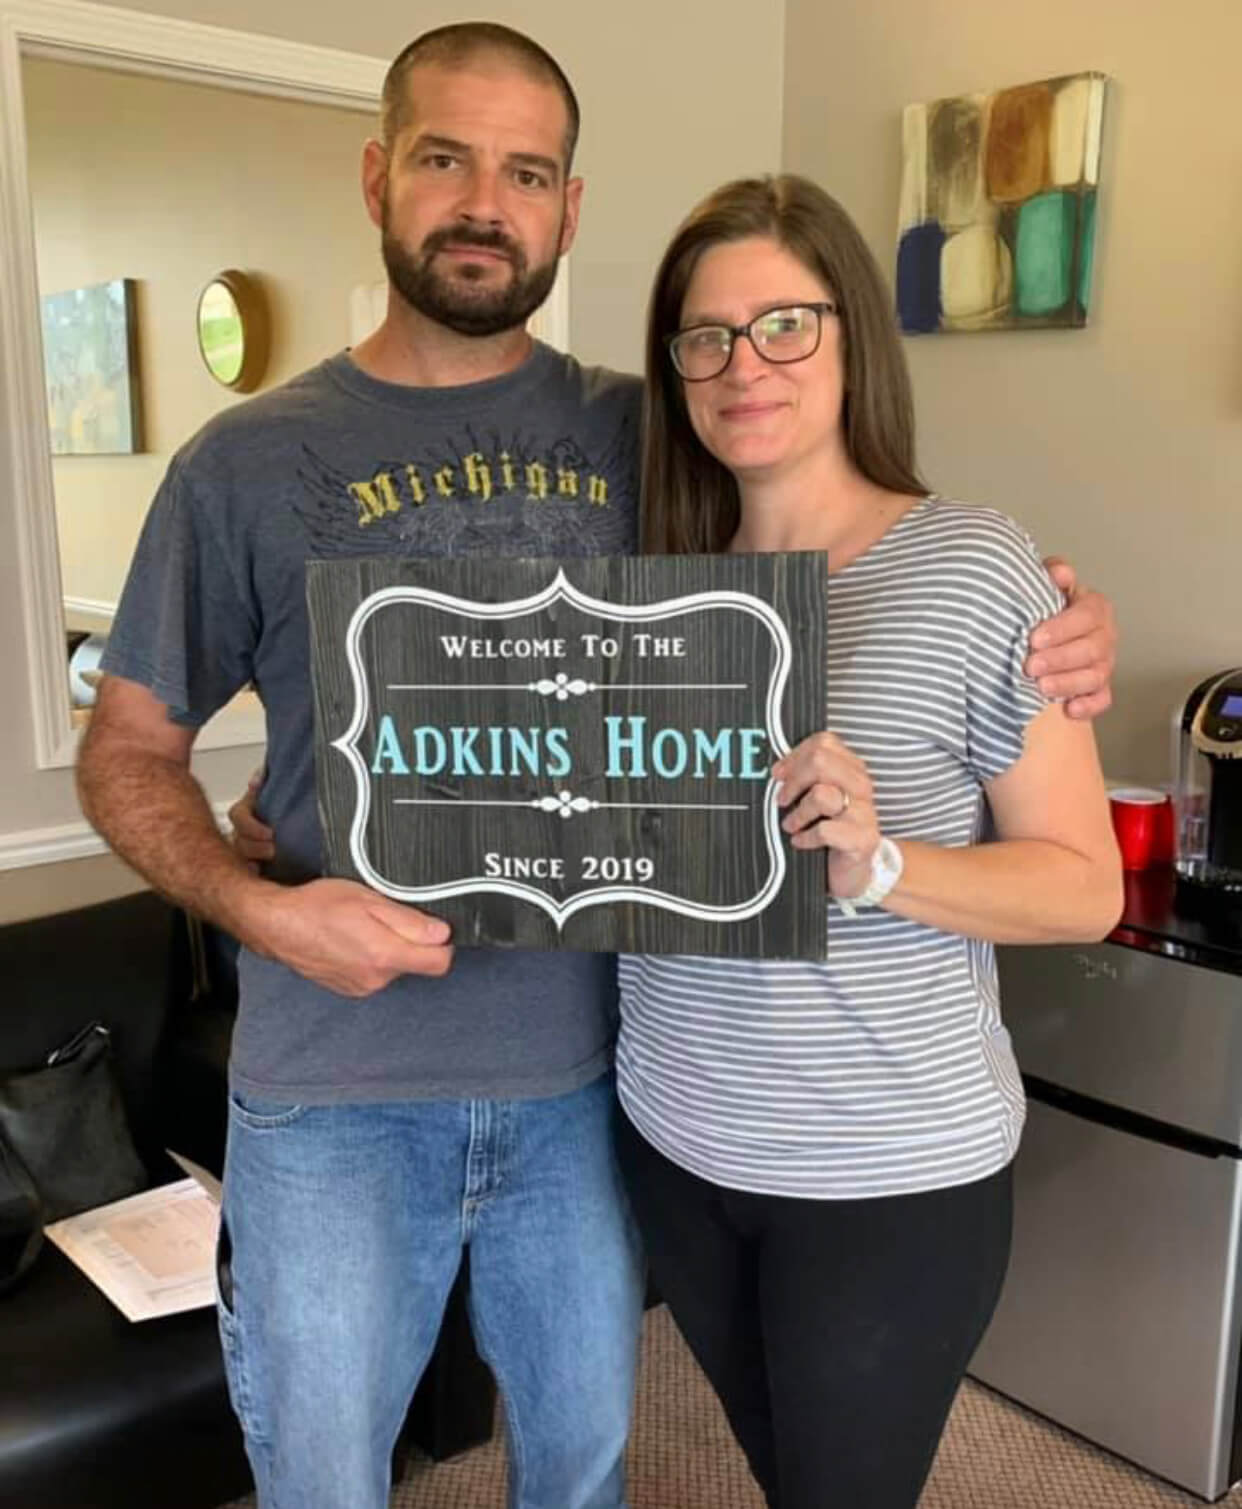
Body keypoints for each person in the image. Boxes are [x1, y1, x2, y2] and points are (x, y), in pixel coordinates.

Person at [79, 20, 1114, 1509]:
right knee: (321, 1480)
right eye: (445, 158)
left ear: (571, 207)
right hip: (336, 1091)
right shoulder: (241, 464)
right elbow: (125, 750)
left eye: (528, 170)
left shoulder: (657, 443)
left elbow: (877, 545)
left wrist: (1062, 620)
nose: (484, 200)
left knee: (578, 1472)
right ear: (380, 175)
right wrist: (259, 905)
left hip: (587, 1084)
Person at [609, 173, 1125, 1509]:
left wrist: (883, 859)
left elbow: (1081, 887)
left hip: (885, 1174)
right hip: (673, 1142)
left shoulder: (974, 566)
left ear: (850, 338)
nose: (743, 364)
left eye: (784, 322)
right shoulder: (643, 587)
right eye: (705, 336)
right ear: (673, 368)